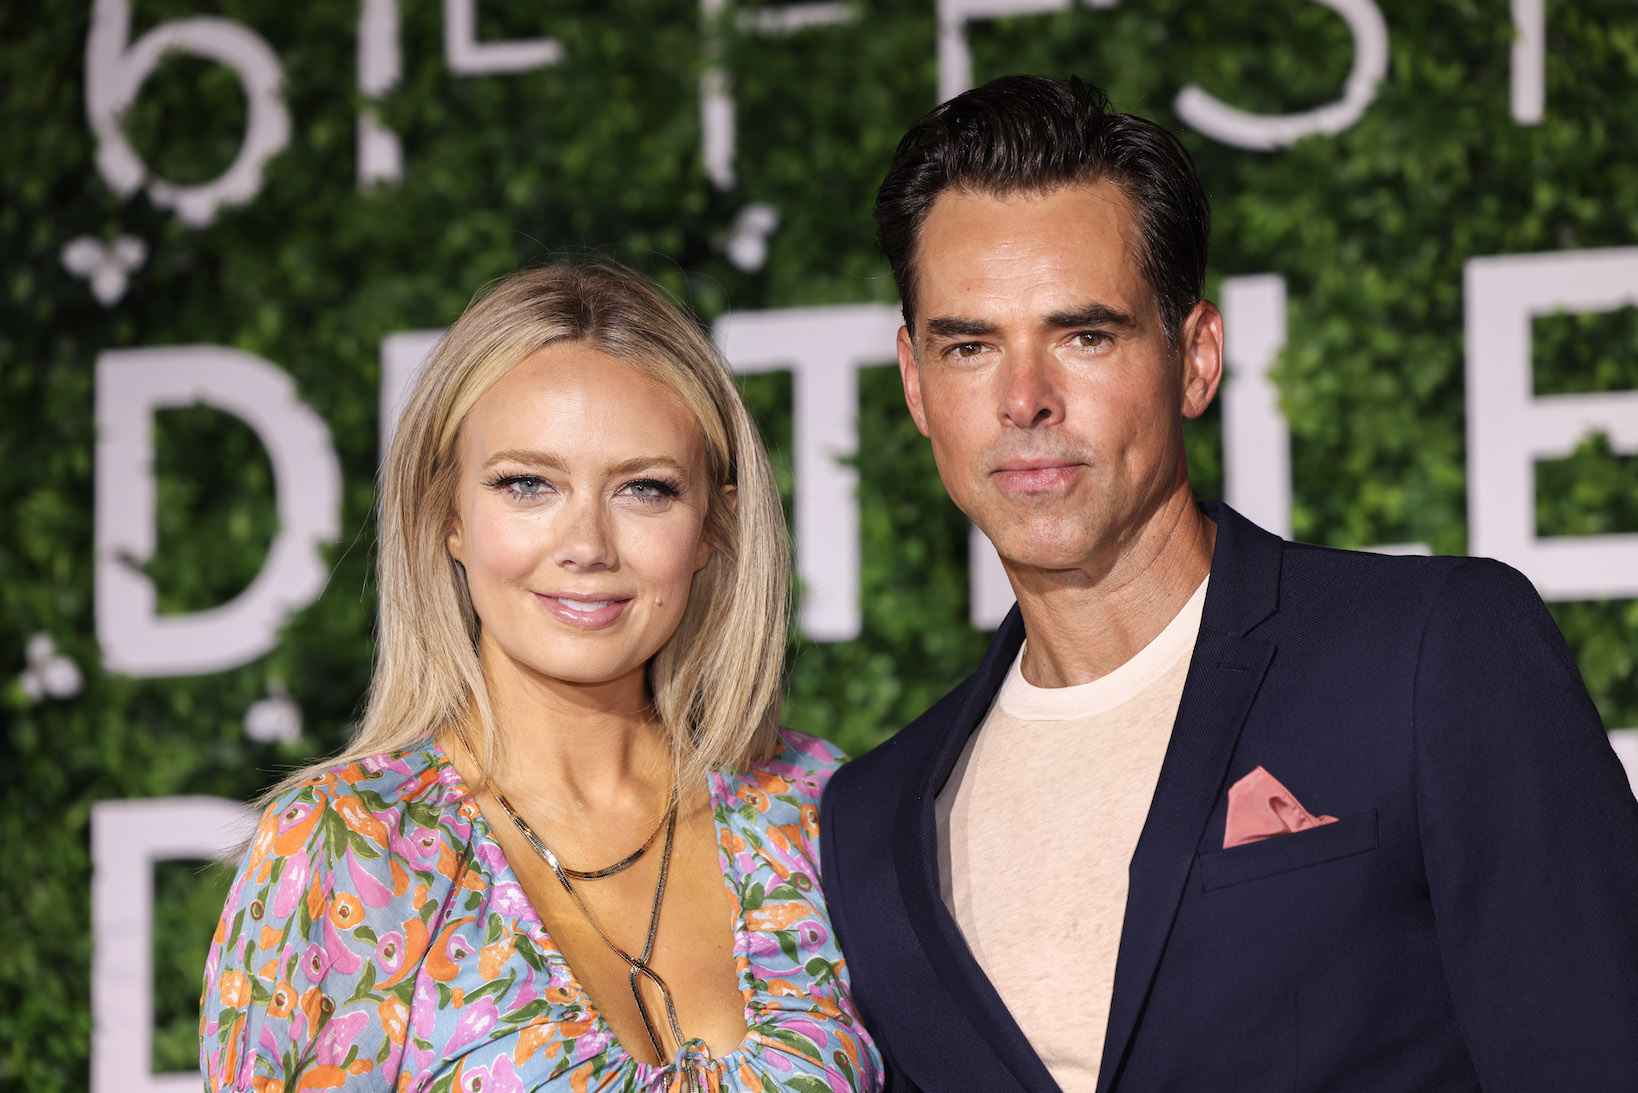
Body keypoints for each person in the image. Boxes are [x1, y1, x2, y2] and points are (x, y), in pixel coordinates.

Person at [819, 74, 1638, 1092]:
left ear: (1196, 357)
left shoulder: (1434, 655)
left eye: (1084, 334)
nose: (1024, 399)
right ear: (915, 383)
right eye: (970, 345)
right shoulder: (870, 821)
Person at [201, 263, 883, 1092]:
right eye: (528, 483)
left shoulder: (817, 810)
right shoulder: (343, 851)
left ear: (714, 524)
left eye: (645, 488)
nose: (588, 544)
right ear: (447, 514)